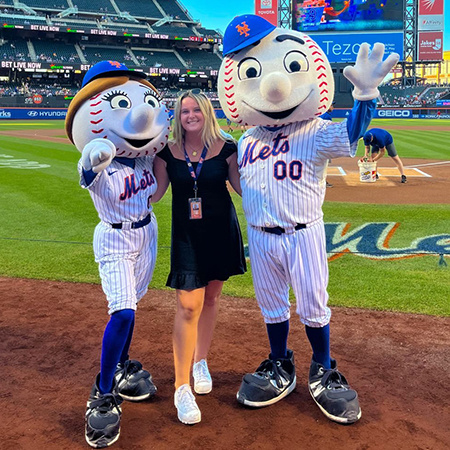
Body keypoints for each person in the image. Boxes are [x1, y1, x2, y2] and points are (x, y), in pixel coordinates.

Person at [218, 14, 399, 424]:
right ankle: (280, 362)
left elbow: (352, 134)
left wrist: (365, 98)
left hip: (303, 233)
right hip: (262, 237)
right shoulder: (247, 139)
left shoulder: (316, 130)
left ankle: (324, 366)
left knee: (314, 306)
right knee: (271, 306)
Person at [65, 60, 170, 448]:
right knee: (123, 310)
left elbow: (160, 176)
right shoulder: (101, 159)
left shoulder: (144, 157)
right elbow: (88, 166)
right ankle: (103, 390)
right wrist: (93, 154)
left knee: (134, 307)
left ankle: (124, 368)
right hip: (114, 238)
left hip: (147, 232)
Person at [151, 89, 247, 425]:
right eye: (184, 111)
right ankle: (182, 387)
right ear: (177, 116)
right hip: (187, 237)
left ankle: (200, 361)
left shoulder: (228, 148)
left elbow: (241, 188)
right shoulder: (165, 152)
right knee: (187, 305)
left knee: (211, 299)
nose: (190, 115)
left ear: (207, 112)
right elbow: (156, 194)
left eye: (196, 110)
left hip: (221, 230)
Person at [320, 102, 335, 188]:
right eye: (332, 105)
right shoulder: (327, 116)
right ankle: (323, 181)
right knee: (324, 164)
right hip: (324, 143)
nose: (333, 107)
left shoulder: (320, 115)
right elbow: (329, 131)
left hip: (317, 141)